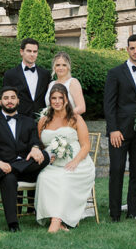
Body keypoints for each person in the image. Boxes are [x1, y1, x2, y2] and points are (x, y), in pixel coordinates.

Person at [0, 86, 50, 232]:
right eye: (6, 98)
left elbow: (35, 140)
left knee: (46, 157)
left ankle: (14, 167)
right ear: (1, 102)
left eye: (12, 98)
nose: (9, 101)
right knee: (9, 179)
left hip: (24, 168)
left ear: (18, 100)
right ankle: (13, 224)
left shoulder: (28, 121)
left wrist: (35, 148)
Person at [103, 34, 136, 221]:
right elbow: (109, 105)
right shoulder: (115, 73)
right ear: (127, 49)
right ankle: (115, 213)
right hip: (119, 132)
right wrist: (113, 129)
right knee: (116, 170)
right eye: (132, 48)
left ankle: (133, 210)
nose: (135, 51)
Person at [34, 84, 95, 232]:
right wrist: (45, 155)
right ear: (50, 100)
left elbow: (86, 145)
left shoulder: (75, 118)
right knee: (44, 177)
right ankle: (57, 221)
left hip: (77, 163)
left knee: (63, 178)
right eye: (53, 98)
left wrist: (75, 161)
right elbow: (40, 144)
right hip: (53, 164)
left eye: (60, 98)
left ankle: (56, 221)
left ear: (66, 100)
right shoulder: (43, 121)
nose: (57, 101)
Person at [3, 38, 51, 119]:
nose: (32, 54)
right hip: (19, 119)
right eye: (29, 51)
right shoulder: (10, 74)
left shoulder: (45, 74)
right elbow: (5, 98)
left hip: (41, 120)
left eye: (35, 52)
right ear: (22, 52)